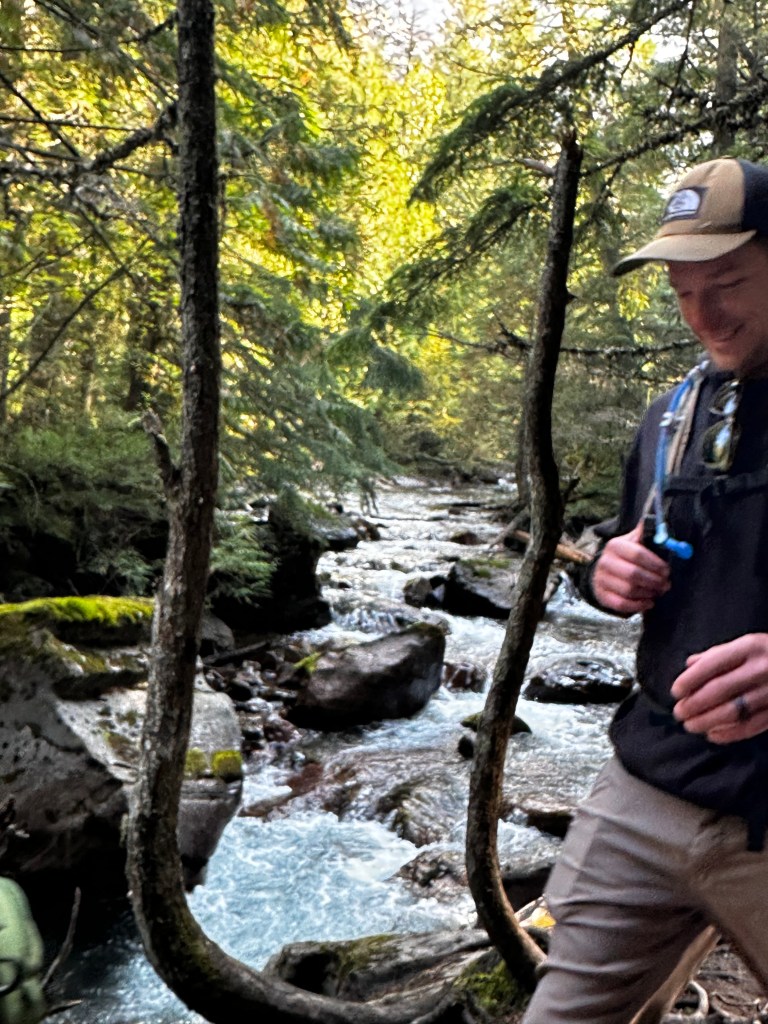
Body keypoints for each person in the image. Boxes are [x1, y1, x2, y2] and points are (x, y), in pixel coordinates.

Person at [522, 156, 768, 1024]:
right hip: (645, 794)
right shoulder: (673, 416)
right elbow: (625, 542)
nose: (704, 315)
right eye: (683, 293)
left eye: (728, 282)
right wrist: (601, 571)